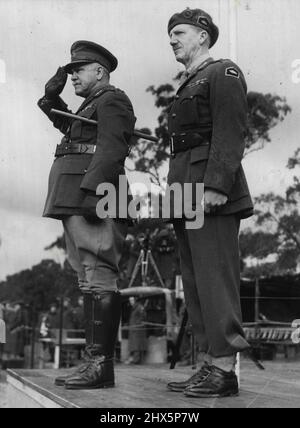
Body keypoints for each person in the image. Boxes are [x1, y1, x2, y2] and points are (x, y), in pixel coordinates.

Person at [166, 8, 253, 398]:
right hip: (184, 190)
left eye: (179, 32)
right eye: (170, 34)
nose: (172, 39)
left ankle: (224, 368)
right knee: (195, 281)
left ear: (203, 35)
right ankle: (208, 363)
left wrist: (217, 184)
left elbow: (231, 131)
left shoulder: (223, 72)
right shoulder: (187, 82)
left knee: (215, 278)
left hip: (209, 188)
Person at [38, 40, 136, 389]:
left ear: (100, 71)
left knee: (98, 275)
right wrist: (51, 102)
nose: (73, 76)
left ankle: (100, 366)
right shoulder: (91, 105)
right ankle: (92, 363)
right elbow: (72, 129)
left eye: (78, 70)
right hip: (75, 196)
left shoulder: (113, 100)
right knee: (87, 277)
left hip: (92, 197)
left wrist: (97, 193)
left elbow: (112, 148)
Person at [125, 297, 147, 364]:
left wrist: (137, 323)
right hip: (133, 329)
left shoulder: (139, 307)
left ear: (135, 300)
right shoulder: (134, 308)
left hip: (138, 330)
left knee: (137, 345)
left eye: (132, 300)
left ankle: (136, 360)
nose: (130, 302)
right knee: (134, 345)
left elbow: (143, 316)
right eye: (130, 300)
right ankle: (135, 359)